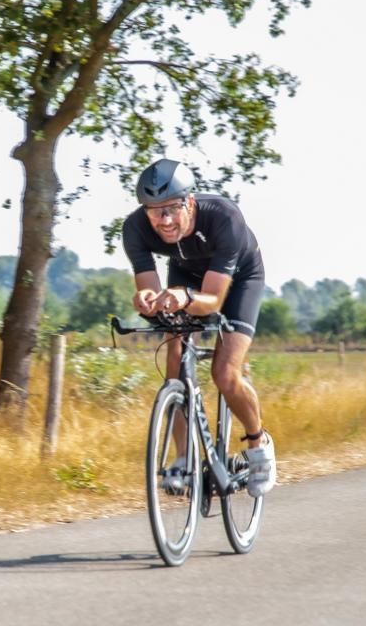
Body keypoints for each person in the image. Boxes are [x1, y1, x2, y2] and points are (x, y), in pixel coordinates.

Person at [122, 158, 274, 497]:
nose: (164, 220)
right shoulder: (135, 228)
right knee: (174, 362)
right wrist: (145, 299)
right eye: (154, 211)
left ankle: (258, 442)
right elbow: (147, 285)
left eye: (172, 209)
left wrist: (182, 296)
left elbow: (213, 302)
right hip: (187, 275)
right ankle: (183, 459)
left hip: (238, 280)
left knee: (224, 373)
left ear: (189, 202)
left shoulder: (224, 217)